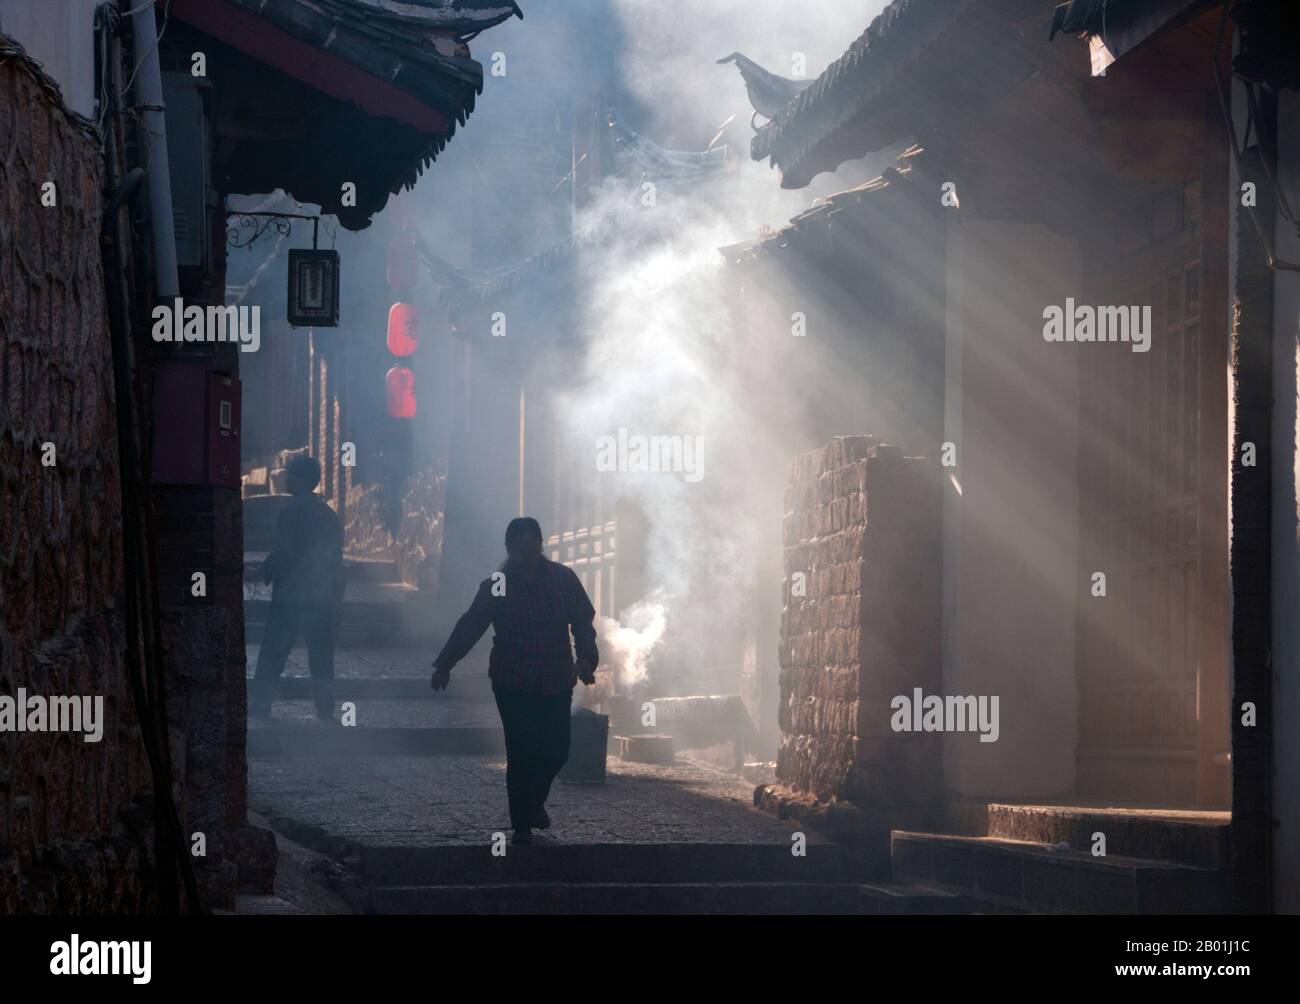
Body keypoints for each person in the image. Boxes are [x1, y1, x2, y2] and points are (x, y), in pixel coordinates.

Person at [431, 517, 599, 844]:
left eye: (531, 548)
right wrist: (445, 663)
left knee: (556, 750)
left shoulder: (563, 579)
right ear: (509, 549)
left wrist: (587, 658)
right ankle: (521, 824)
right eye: (518, 550)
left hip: (555, 677)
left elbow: (582, 622)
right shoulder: (498, 584)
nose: (525, 556)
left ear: (540, 546)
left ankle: (533, 803)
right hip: (513, 678)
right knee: (521, 750)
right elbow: (471, 625)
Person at [249, 455, 345, 722]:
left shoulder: (291, 511)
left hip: (291, 598)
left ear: (300, 480)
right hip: (322, 598)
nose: (286, 478)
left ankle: (260, 705)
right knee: (322, 659)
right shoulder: (328, 514)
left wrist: (261, 571)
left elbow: (285, 552)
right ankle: (325, 711)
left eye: (290, 474)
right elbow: (334, 558)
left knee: (272, 654)